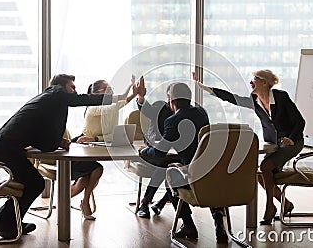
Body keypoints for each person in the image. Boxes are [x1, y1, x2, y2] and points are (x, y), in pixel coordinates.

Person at [0, 74, 117, 239]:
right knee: (34, 183)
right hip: (5, 147)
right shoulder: (56, 93)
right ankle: (3, 222)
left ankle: (10, 222)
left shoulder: (48, 102)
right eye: (72, 87)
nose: (75, 92)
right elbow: (81, 99)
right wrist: (119, 97)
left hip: (3, 145)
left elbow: (43, 141)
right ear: (62, 87)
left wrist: (59, 142)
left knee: (32, 183)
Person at [193, 70, 305, 225]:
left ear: (264, 82)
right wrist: (203, 87)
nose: (251, 82)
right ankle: (285, 204)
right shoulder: (254, 100)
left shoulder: (281, 97)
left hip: (293, 142)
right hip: (274, 144)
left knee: (265, 167)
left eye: (254, 79)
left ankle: (270, 207)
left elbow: (300, 122)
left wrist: (291, 139)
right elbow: (231, 98)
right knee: (260, 173)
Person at [139, 82, 228, 243]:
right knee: (206, 180)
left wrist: (144, 152)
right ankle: (218, 223)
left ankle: (188, 225)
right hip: (214, 173)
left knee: (170, 177)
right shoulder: (202, 112)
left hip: (193, 177)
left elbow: (159, 152)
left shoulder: (173, 120)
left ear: (171, 101)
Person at [70, 76, 137, 220]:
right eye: (107, 89)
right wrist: (130, 92)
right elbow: (115, 106)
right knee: (92, 173)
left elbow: (107, 134)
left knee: (88, 176)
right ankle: (80, 202)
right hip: (80, 146)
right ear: (97, 94)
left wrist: (95, 139)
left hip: (93, 144)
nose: (111, 91)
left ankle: (81, 202)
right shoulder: (94, 108)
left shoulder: (109, 109)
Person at [135, 76, 174, 218]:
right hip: (155, 148)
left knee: (172, 166)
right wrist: (141, 97)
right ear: (168, 96)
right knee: (165, 165)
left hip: (174, 152)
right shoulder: (160, 107)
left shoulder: (187, 112)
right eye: (172, 96)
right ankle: (146, 203)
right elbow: (148, 111)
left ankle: (156, 202)